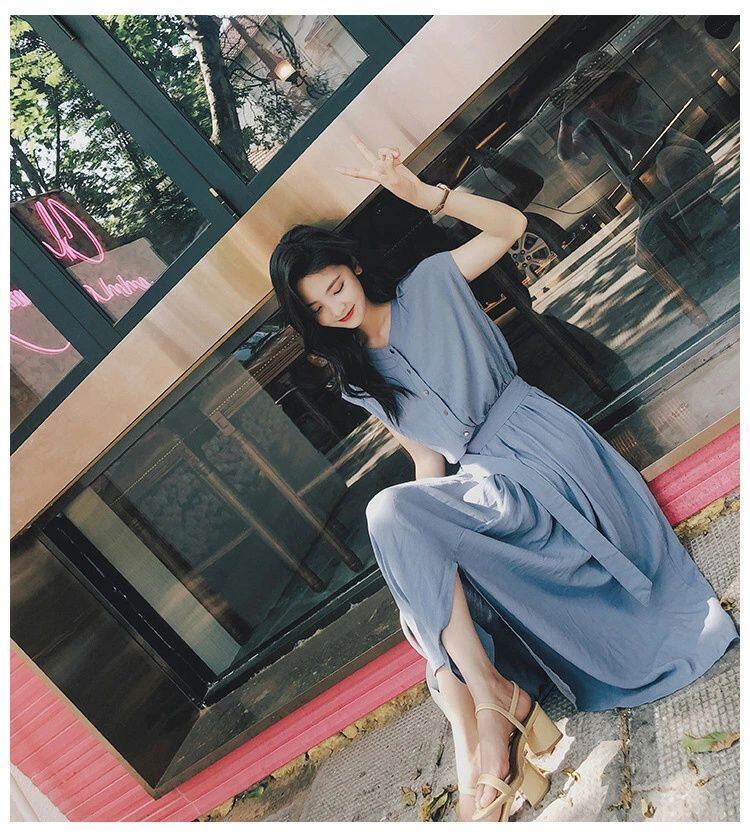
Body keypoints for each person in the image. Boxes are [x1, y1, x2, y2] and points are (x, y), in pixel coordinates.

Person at [269, 135, 739, 822]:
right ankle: (482, 716)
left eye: (335, 287)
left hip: (541, 448)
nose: (334, 309)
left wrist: (425, 195)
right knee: (396, 527)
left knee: (398, 529)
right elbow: (427, 464)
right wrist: (415, 565)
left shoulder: (430, 284)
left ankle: (488, 726)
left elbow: (510, 226)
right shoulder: (359, 379)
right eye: (316, 308)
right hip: (484, 484)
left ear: (354, 267)